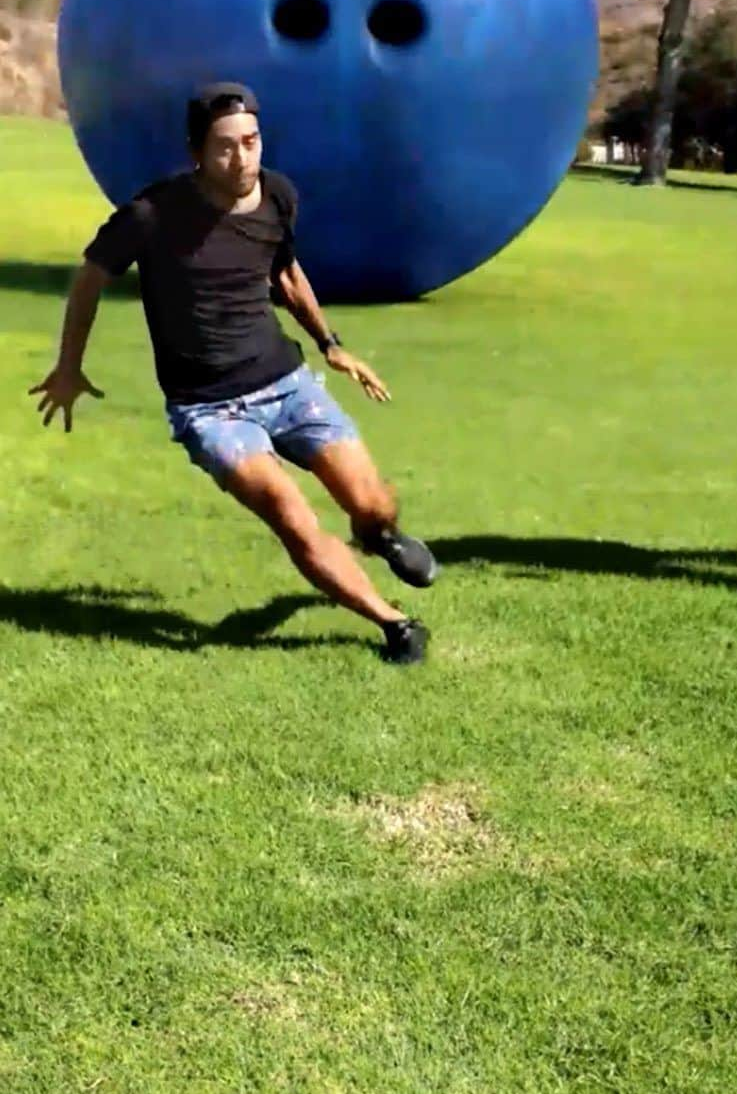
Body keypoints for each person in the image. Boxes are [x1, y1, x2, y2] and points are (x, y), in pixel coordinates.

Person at [30, 83, 436, 664]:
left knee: (371, 506)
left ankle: (382, 538)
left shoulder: (277, 197)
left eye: (251, 141)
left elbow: (286, 273)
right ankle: (394, 624)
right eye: (225, 147)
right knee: (292, 517)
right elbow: (92, 277)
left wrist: (331, 344)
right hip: (210, 409)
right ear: (197, 151)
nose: (242, 158)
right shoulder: (153, 214)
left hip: (287, 383)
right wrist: (68, 367)